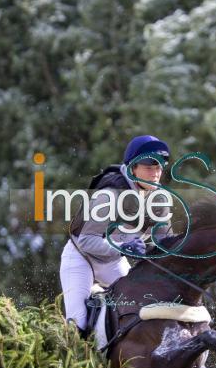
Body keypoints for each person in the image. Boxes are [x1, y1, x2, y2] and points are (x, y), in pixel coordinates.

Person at [60, 135, 172, 334]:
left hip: (111, 263)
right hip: (81, 258)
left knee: (143, 305)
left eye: (159, 167)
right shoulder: (109, 196)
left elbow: (164, 243)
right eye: (149, 167)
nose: (156, 173)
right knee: (77, 326)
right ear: (132, 168)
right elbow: (86, 241)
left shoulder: (160, 199)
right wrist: (122, 249)